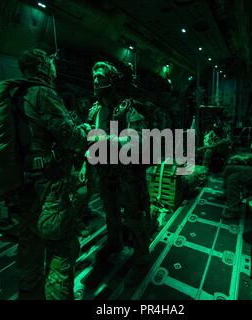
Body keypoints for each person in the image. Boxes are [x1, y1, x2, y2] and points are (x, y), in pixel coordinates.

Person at [9, 48, 90, 300]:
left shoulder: (13, 95)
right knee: (60, 249)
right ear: (44, 67)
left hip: (21, 185)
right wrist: (85, 130)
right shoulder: (43, 93)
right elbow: (69, 137)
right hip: (49, 186)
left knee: (29, 243)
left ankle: (28, 291)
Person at [81, 61, 151, 277]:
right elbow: (92, 141)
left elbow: (138, 139)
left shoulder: (129, 107)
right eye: (94, 77)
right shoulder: (95, 111)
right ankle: (115, 242)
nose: (95, 81)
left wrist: (108, 138)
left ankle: (141, 256)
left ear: (112, 81)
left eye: (100, 77)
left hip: (127, 172)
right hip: (104, 171)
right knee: (110, 212)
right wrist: (86, 163)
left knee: (133, 215)